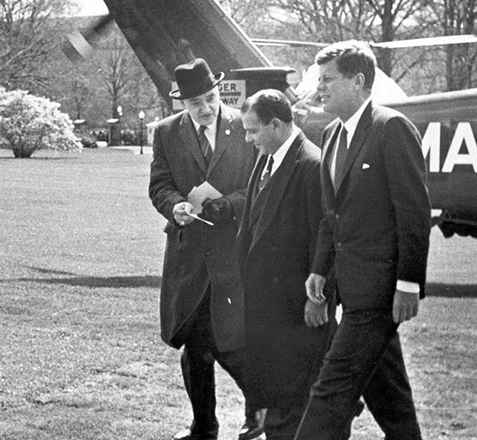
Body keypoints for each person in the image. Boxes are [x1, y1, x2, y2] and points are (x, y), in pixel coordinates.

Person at [294, 40, 431, 440]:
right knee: (391, 400)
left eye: (327, 79)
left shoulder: (392, 128)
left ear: (358, 81)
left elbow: (414, 213)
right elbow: (330, 215)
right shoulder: (333, 134)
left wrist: (408, 283)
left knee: (331, 389)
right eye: (318, 80)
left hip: (379, 294)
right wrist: (320, 270)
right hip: (347, 289)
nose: (319, 88)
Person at [148, 58, 263, 440]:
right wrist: (174, 206)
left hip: (234, 251)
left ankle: (258, 411)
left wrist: (229, 205)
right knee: (196, 344)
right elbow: (159, 186)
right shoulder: (166, 133)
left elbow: (260, 186)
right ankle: (206, 426)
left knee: (236, 338)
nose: (206, 107)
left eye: (211, 98)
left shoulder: (245, 126)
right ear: (181, 103)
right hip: (189, 255)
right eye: (196, 101)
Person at [236, 89, 337, 440]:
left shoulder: (311, 164)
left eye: (252, 131)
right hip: (267, 309)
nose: (248, 139)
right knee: (276, 400)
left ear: (276, 125)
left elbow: (326, 238)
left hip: (297, 311)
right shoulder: (267, 158)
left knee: (290, 404)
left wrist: (318, 298)